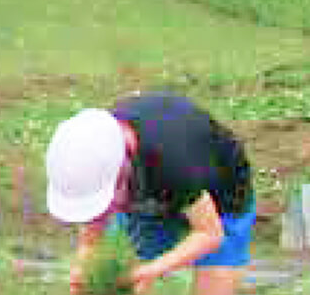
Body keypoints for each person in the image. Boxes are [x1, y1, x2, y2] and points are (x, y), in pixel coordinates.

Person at [44, 93, 257, 295]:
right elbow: (92, 230)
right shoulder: (90, 151)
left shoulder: (171, 161)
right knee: (124, 276)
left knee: (212, 285)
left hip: (221, 197)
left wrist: (151, 270)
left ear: (122, 169)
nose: (105, 209)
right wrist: (85, 265)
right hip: (153, 190)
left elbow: (210, 234)